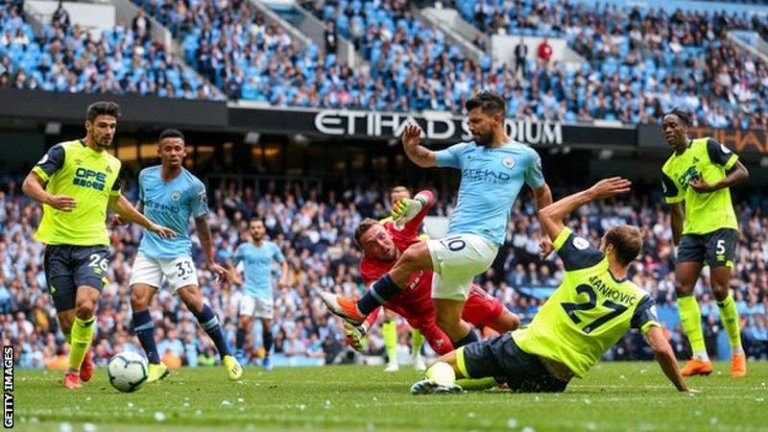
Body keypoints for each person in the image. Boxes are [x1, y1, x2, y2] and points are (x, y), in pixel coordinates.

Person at [410, 178, 692, 395]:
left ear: (608, 248)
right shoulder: (641, 299)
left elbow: (547, 214)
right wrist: (683, 387)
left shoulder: (588, 260)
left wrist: (591, 193)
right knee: (497, 379)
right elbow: (661, 349)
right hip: (555, 379)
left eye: (601, 241)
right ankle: (466, 382)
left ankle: (443, 383)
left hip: (524, 349)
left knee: (440, 365)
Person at [322, 91, 552, 349]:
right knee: (448, 320)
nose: (471, 127)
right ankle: (486, 368)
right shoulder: (466, 151)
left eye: (476, 121)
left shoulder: (524, 156)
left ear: (497, 119)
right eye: (469, 121)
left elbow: (541, 192)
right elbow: (426, 158)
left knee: (411, 254)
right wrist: (411, 148)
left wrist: (547, 233)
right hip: (457, 240)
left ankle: (359, 309)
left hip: (482, 242)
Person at [21, 101, 174, 389]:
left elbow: (116, 201)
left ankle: (72, 372)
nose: (108, 131)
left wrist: (149, 224)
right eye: (102, 125)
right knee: (68, 323)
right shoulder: (63, 152)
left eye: (112, 126)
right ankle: (85, 353)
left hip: (93, 244)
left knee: (86, 306)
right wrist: (49, 199)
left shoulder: (113, 164)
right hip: (57, 246)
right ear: (88, 125)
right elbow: (29, 183)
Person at [344, 188, 520, 360]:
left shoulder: (399, 224)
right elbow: (373, 300)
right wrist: (364, 327)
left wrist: (417, 203)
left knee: (511, 323)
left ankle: (521, 361)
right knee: (457, 356)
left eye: (381, 237)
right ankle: (492, 368)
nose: (381, 244)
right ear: (365, 251)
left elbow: (429, 195)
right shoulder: (369, 268)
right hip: (427, 317)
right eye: (372, 244)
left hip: (449, 284)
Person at [127, 128, 242, 382]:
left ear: (185, 152)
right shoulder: (146, 176)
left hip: (177, 250)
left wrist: (210, 260)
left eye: (178, 149)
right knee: (137, 299)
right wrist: (126, 217)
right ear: (159, 152)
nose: (173, 153)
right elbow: (141, 205)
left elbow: (202, 225)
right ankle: (155, 364)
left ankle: (227, 354)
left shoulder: (193, 186)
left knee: (193, 302)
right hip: (148, 249)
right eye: (168, 149)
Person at [660, 108, 749, 377]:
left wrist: (712, 186)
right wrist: (678, 246)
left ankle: (737, 352)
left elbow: (742, 172)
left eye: (672, 125)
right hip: (693, 232)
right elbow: (675, 210)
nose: (667, 130)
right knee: (681, 286)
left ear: (686, 126)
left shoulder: (708, 146)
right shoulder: (668, 168)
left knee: (719, 289)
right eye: (664, 127)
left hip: (721, 225)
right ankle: (700, 357)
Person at [378, 185, 428, 372]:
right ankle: (392, 361)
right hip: (391, 274)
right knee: (389, 315)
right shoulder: (382, 225)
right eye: (395, 201)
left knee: (419, 318)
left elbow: (423, 245)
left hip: (414, 275)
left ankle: (417, 355)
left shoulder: (418, 223)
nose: (399, 204)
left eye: (403, 201)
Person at [229, 217, 288, 371]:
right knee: (244, 320)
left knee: (267, 326)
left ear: (263, 230)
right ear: (250, 231)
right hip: (249, 290)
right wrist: (234, 277)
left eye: (259, 227)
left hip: (266, 292)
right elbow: (232, 264)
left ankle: (268, 355)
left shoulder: (272, 248)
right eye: (253, 227)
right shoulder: (243, 248)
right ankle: (239, 354)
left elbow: (284, 263)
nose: (256, 230)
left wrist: (283, 278)